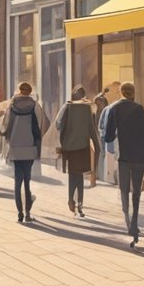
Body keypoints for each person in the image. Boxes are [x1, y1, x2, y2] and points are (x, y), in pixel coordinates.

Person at [103, 82, 144, 246]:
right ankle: (135, 221)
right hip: (139, 155)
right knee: (136, 191)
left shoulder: (114, 109)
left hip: (123, 155)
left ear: (121, 93)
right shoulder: (139, 109)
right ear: (133, 93)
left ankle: (127, 218)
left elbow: (109, 136)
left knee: (124, 189)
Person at [2, 82, 50, 224]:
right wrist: (37, 138)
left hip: (15, 147)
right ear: (30, 92)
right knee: (27, 181)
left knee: (18, 181)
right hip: (29, 147)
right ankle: (28, 212)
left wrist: (9, 138)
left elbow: (4, 126)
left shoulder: (11, 106)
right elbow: (44, 124)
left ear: (19, 91)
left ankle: (19, 213)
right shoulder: (35, 106)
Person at [55, 86, 99, 218]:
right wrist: (96, 145)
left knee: (72, 174)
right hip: (83, 147)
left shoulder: (67, 107)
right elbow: (91, 128)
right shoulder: (87, 108)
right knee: (79, 175)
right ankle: (80, 203)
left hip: (69, 147)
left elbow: (58, 123)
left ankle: (71, 200)